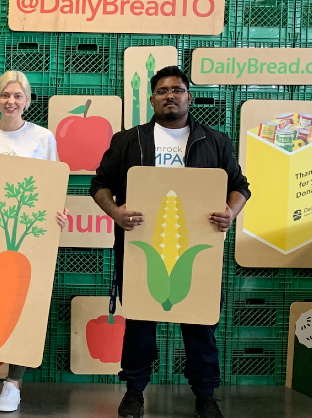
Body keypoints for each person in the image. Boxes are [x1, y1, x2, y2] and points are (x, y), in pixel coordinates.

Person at [90, 66, 250, 418]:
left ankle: (205, 396)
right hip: (141, 249)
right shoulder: (128, 140)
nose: (170, 96)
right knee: (140, 327)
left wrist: (230, 212)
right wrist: (116, 213)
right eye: (162, 91)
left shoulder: (215, 141)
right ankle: (134, 392)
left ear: (188, 96)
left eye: (177, 89)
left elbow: (240, 186)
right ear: (151, 99)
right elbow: (99, 185)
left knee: (200, 327)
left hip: (198, 252)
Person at [0, 71, 69, 413]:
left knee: (26, 304)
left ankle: (13, 384)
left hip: (32, 234)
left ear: (28, 100)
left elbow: (52, 184)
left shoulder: (43, 137)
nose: (11, 101)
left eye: (18, 96)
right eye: (6, 95)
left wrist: (58, 214)